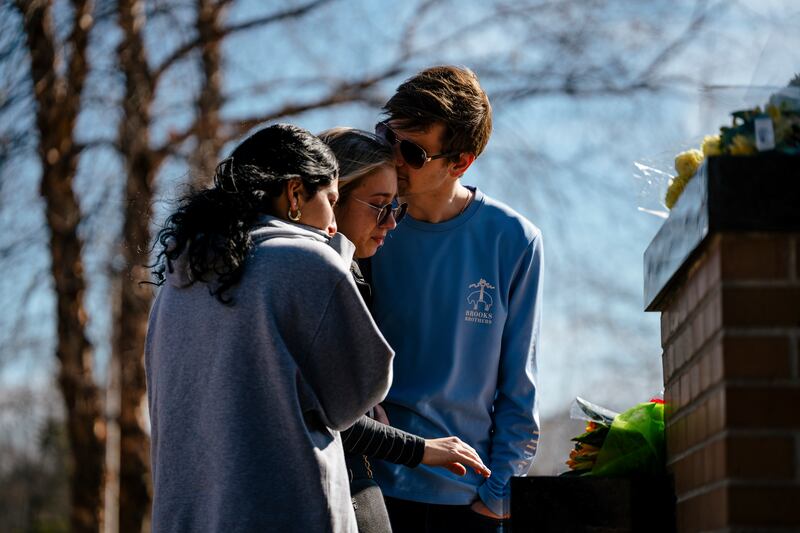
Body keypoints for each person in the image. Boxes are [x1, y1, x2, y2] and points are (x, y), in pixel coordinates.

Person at [145, 123, 394, 533]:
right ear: (295, 194)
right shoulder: (308, 261)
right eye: (331, 200)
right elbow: (358, 394)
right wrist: (339, 257)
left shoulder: (177, 282)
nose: (333, 222)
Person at [367, 66, 545, 533]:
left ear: (460, 163)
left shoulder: (513, 240)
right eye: (388, 138)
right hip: (370, 489)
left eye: (413, 151)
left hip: (466, 499)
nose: (394, 159)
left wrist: (497, 495)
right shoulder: (366, 228)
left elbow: (519, 385)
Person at [319, 127, 491, 533]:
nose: (393, 222)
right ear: (332, 198)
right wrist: (422, 449)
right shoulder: (318, 276)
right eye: (380, 206)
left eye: (395, 206)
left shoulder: (355, 270)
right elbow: (331, 418)